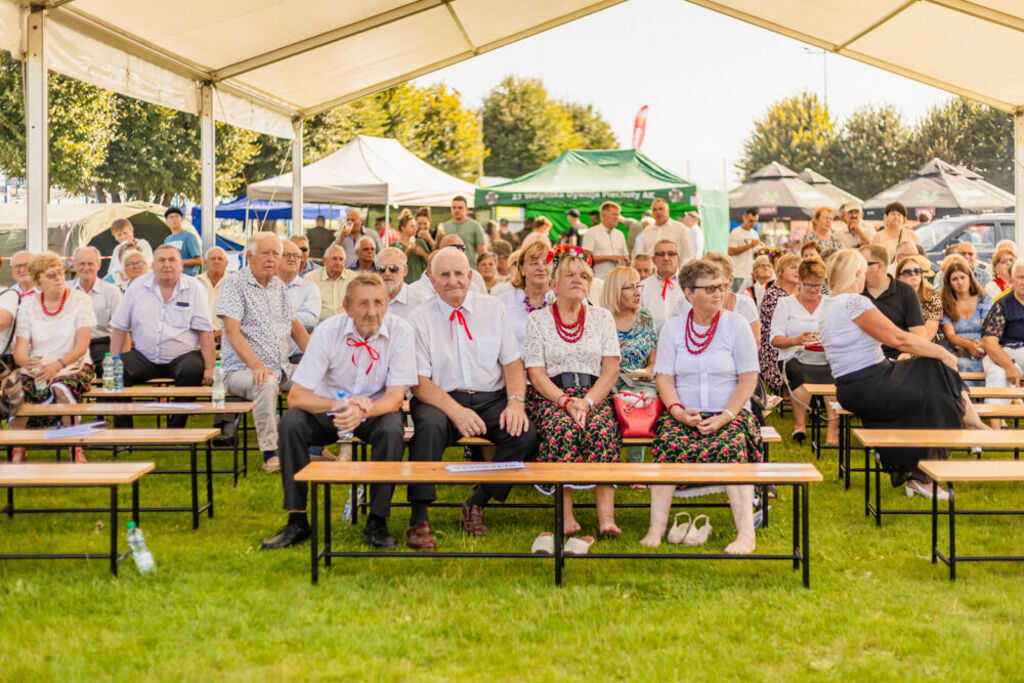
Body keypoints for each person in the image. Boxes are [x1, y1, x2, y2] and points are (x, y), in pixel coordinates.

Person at [261, 273, 417, 551]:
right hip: (331, 407)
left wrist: (361, 412)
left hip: (375, 409)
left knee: (393, 429)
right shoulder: (327, 332)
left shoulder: (401, 331)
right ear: (347, 308)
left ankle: (377, 520)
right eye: (363, 304)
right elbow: (296, 397)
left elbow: (394, 398)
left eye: (379, 303)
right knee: (291, 423)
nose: (372, 311)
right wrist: (342, 405)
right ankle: (297, 520)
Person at [820, 249, 987, 498]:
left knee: (932, 373)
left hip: (855, 384)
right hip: (870, 382)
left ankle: (962, 428)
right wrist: (943, 353)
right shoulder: (854, 302)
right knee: (936, 370)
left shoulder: (828, 302)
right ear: (856, 274)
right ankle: (956, 437)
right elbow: (899, 339)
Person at [407, 247, 537, 538]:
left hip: (490, 398)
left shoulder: (493, 308)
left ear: (469, 276)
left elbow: (513, 363)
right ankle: (419, 517)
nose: (453, 281)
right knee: (427, 428)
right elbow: (419, 381)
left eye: (458, 274)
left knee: (524, 433)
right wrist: (456, 411)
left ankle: (477, 502)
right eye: (444, 275)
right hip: (439, 399)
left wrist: (516, 403)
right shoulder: (419, 318)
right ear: (431, 279)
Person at [641, 259, 762, 553]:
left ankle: (746, 534)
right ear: (688, 293)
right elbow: (664, 377)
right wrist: (678, 411)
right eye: (709, 288)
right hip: (684, 412)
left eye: (721, 286)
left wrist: (726, 416)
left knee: (733, 445)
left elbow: (749, 377)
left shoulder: (737, 326)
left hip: (730, 413)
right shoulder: (673, 328)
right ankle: (656, 529)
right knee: (668, 442)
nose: (718, 293)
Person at [524, 245, 622, 540]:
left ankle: (606, 518)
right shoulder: (537, 320)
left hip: (594, 394)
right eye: (569, 275)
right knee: (562, 430)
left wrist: (588, 402)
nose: (578, 280)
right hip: (552, 395)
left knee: (602, 429)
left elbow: (611, 370)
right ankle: (565, 516)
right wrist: (565, 401)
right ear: (553, 284)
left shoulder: (602, 318)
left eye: (583, 275)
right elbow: (536, 373)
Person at [216, 233, 310, 471]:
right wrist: (257, 366)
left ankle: (312, 448)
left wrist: (318, 359)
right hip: (241, 371)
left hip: (281, 367)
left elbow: (294, 327)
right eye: (265, 253)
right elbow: (232, 332)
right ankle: (271, 453)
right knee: (265, 382)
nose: (271, 259)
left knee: (317, 380)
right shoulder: (233, 284)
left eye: (275, 254)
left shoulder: (278, 286)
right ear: (249, 256)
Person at [108, 245, 216, 427]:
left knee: (193, 368)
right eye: (161, 260)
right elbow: (119, 327)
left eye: (172, 260)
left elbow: (205, 331)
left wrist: (210, 368)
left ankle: (175, 428)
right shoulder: (138, 287)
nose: (167, 265)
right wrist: (113, 361)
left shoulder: (194, 287)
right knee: (119, 370)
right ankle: (124, 431)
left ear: (181, 265)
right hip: (144, 356)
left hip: (182, 357)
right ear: (153, 265)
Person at [9, 252, 96, 462]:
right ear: (39, 282)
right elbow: (20, 350)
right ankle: (19, 448)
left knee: (61, 387)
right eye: (51, 275)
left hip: (73, 363)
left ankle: (75, 448)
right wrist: (29, 365)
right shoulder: (28, 304)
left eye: (60, 273)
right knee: (16, 390)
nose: (58, 278)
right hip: (39, 365)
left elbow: (82, 345)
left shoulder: (80, 300)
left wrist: (57, 365)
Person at [770, 257, 837, 444]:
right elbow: (775, 339)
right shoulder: (786, 304)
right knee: (799, 372)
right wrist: (796, 340)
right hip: (794, 355)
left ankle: (833, 432)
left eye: (818, 285)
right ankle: (800, 425)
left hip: (824, 356)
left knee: (835, 371)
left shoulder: (829, 303)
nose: (814, 290)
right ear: (800, 281)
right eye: (809, 285)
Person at [602, 265, 657, 464]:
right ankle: (607, 463)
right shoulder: (602, 318)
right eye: (630, 287)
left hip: (638, 382)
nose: (637, 292)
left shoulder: (645, 317)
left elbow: (654, 359)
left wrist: (647, 371)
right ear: (616, 292)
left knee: (640, 402)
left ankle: (636, 467)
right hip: (608, 381)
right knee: (604, 407)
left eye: (638, 286)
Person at [860, 244, 926, 357]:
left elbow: (919, 334)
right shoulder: (856, 292)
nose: (858, 269)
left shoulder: (905, 291)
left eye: (862, 265)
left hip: (899, 357)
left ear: (879, 267)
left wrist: (909, 354)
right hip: (864, 358)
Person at [680, 252, 760, 340]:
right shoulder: (691, 302)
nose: (711, 279)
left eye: (717, 274)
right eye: (706, 274)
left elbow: (756, 342)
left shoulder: (744, 304)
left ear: (730, 280)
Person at [69, 246, 123, 368]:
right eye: (81, 264)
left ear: (98, 265)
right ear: (74, 266)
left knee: (107, 368)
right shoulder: (66, 290)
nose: (86, 268)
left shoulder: (112, 292)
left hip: (101, 345)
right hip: (71, 345)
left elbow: (120, 328)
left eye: (90, 263)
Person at [939, 256, 991, 380]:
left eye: (963, 277)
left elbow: (987, 329)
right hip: (957, 348)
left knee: (989, 363)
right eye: (955, 279)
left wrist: (979, 346)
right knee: (957, 364)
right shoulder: (945, 303)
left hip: (984, 346)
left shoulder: (983, 299)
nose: (960, 282)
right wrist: (968, 345)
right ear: (949, 283)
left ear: (970, 278)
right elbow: (950, 336)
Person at [981, 259, 1024, 404]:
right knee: (998, 374)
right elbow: (989, 342)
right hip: (1005, 353)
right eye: (1020, 277)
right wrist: (1009, 366)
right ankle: (995, 425)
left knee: (999, 374)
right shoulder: (1003, 305)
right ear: (1012, 280)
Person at [758, 253, 801, 394]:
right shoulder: (773, 295)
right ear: (781, 271)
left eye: (800, 268)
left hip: (798, 345)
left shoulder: (802, 293)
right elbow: (779, 333)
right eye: (793, 267)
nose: (798, 270)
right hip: (775, 350)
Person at [497, 240, 553, 350]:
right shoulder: (504, 301)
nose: (541, 267)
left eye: (546, 262)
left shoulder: (561, 300)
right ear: (522, 267)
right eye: (534, 263)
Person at [278, 239, 321, 363]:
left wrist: (274, 317)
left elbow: (310, 320)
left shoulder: (309, 288)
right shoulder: (264, 286)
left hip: (297, 358)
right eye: (286, 255)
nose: (292, 259)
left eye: (296, 256)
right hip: (266, 358)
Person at [639, 238, 683, 331]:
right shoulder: (642, 287)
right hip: (652, 342)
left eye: (671, 254)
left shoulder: (688, 285)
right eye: (661, 254)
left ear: (678, 259)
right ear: (654, 260)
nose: (666, 258)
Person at [374, 246, 429, 321]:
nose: (387, 273)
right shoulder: (367, 299)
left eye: (393, 268)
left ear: (405, 270)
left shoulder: (422, 302)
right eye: (381, 268)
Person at [633, 199, 694, 263]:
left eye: (661, 209)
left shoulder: (680, 228)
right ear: (652, 213)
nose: (658, 212)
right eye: (655, 210)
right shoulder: (647, 230)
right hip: (651, 271)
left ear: (668, 211)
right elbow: (642, 254)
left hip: (674, 272)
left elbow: (687, 255)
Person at [896, 255, 941, 341]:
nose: (913, 274)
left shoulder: (933, 296)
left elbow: (928, 335)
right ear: (899, 277)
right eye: (907, 272)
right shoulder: (892, 297)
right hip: (897, 345)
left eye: (917, 271)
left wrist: (910, 353)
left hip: (925, 347)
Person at [582, 201, 630, 279]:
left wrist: (626, 260)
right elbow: (586, 259)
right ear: (604, 215)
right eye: (614, 214)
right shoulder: (592, 232)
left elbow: (625, 255)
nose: (617, 217)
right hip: (599, 280)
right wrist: (609, 258)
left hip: (618, 280)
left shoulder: (620, 234)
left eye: (618, 215)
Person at [303, 243, 351, 321]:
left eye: (341, 259)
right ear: (324, 261)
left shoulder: (354, 279)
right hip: (319, 328)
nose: (338, 262)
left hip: (346, 326)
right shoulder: (310, 278)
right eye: (334, 259)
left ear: (345, 262)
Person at [441, 196, 485, 268]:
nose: (457, 210)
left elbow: (481, 252)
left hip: (470, 269)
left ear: (466, 209)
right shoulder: (444, 227)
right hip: (448, 269)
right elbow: (438, 250)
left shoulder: (475, 226)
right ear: (451, 209)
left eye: (460, 208)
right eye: (454, 207)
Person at [197, 246, 229, 341]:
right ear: (206, 262)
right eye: (213, 258)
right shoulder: (195, 283)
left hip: (226, 339)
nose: (216, 261)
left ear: (226, 263)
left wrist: (225, 332)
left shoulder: (235, 284)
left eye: (220, 258)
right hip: (199, 338)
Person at [727, 209, 761, 292]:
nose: (753, 224)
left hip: (751, 273)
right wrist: (749, 246)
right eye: (751, 221)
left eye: (755, 221)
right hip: (739, 273)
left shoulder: (755, 233)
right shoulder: (736, 232)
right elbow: (730, 251)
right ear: (744, 218)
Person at [162, 207, 203, 275]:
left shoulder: (189, 236)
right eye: (171, 217)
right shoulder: (167, 240)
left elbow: (199, 260)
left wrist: (180, 263)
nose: (174, 219)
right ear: (167, 221)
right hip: (172, 278)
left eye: (176, 216)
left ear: (182, 219)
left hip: (189, 278)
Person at [396, 212, 430, 284]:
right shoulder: (395, 246)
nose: (415, 228)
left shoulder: (420, 242)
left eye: (415, 226)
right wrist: (406, 254)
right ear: (403, 228)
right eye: (412, 226)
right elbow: (393, 266)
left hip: (421, 283)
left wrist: (423, 254)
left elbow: (431, 262)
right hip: (403, 283)